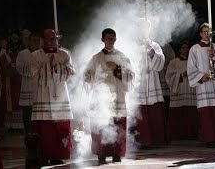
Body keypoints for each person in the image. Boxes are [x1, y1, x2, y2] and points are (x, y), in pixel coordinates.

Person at [84, 28, 134, 165]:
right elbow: (86, 76)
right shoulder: (96, 58)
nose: (111, 40)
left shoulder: (122, 57)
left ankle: (117, 154)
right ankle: (101, 154)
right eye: (108, 38)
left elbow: (131, 77)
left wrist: (117, 69)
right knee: (101, 124)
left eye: (113, 38)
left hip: (118, 96)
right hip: (101, 99)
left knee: (118, 125)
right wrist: (94, 78)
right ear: (102, 39)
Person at [30, 29, 75, 165]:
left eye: (54, 38)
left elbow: (71, 73)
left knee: (60, 128)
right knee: (45, 129)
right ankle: (44, 155)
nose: (52, 41)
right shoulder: (35, 55)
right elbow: (34, 75)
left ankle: (57, 155)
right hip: (43, 95)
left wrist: (58, 66)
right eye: (49, 38)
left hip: (60, 95)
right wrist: (49, 66)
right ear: (43, 40)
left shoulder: (64, 54)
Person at [187, 22, 215, 148]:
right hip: (204, 85)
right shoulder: (194, 49)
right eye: (204, 32)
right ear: (200, 34)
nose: (206, 34)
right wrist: (201, 76)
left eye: (208, 32)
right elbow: (190, 67)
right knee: (207, 113)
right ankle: (210, 139)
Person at [132, 18, 169, 148]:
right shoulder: (132, 45)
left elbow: (160, 63)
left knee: (154, 112)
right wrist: (137, 69)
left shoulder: (154, 45)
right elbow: (127, 62)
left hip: (152, 81)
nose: (143, 30)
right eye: (140, 27)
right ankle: (140, 141)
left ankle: (155, 140)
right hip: (138, 82)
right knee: (140, 111)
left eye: (145, 27)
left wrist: (151, 50)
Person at [165, 41, 198, 140]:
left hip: (191, 90)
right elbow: (168, 76)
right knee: (178, 114)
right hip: (179, 91)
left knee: (190, 113)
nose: (186, 50)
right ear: (179, 50)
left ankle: (191, 134)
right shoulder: (174, 62)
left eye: (187, 48)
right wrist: (180, 76)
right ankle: (177, 134)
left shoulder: (194, 61)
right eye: (183, 48)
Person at [16, 31, 42, 135]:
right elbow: (19, 69)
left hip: (39, 89)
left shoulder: (42, 53)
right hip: (27, 87)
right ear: (29, 41)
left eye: (38, 40)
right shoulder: (22, 54)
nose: (36, 42)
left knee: (39, 116)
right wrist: (33, 66)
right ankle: (28, 136)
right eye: (34, 40)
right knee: (27, 115)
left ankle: (38, 136)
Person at [159, 42, 176, 121]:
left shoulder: (165, 45)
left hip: (164, 77)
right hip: (154, 78)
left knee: (166, 103)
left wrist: (165, 64)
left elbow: (172, 61)